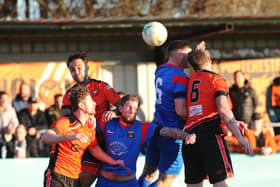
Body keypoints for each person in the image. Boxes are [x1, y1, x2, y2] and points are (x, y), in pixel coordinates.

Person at [183, 48, 253, 187]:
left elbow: (205, 109)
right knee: (221, 183)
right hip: (209, 137)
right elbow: (223, 109)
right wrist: (240, 138)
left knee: (194, 184)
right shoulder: (216, 79)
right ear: (209, 60)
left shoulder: (190, 80)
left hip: (189, 137)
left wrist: (233, 121)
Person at [95, 94, 196, 187]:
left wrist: (186, 136)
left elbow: (169, 131)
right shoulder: (107, 123)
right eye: (129, 107)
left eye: (135, 108)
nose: (132, 111)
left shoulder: (142, 128)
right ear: (120, 108)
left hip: (128, 183)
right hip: (104, 182)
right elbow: (87, 129)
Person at [41, 85, 123, 187]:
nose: (95, 103)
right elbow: (45, 138)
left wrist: (113, 162)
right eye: (90, 101)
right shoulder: (65, 122)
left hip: (74, 179)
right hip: (57, 176)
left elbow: (95, 149)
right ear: (82, 106)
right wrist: (68, 137)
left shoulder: (89, 127)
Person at [62, 52, 122, 187]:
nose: (76, 72)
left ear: (87, 68)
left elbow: (122, 107)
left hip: (103, 143)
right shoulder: (69, 94)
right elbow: (64, 120)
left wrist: (114, 113)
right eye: (72, 70)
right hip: (81, 143)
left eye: (79, 67)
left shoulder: (101, 86)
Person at [140, 40, 192, 187]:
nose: (191, 58)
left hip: (156, 128)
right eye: (188, 54)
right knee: (165, 180)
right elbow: (181, 111)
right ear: (179, 55)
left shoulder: (160, 69)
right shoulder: (180, 76)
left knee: (148, 174)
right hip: (173, 133)